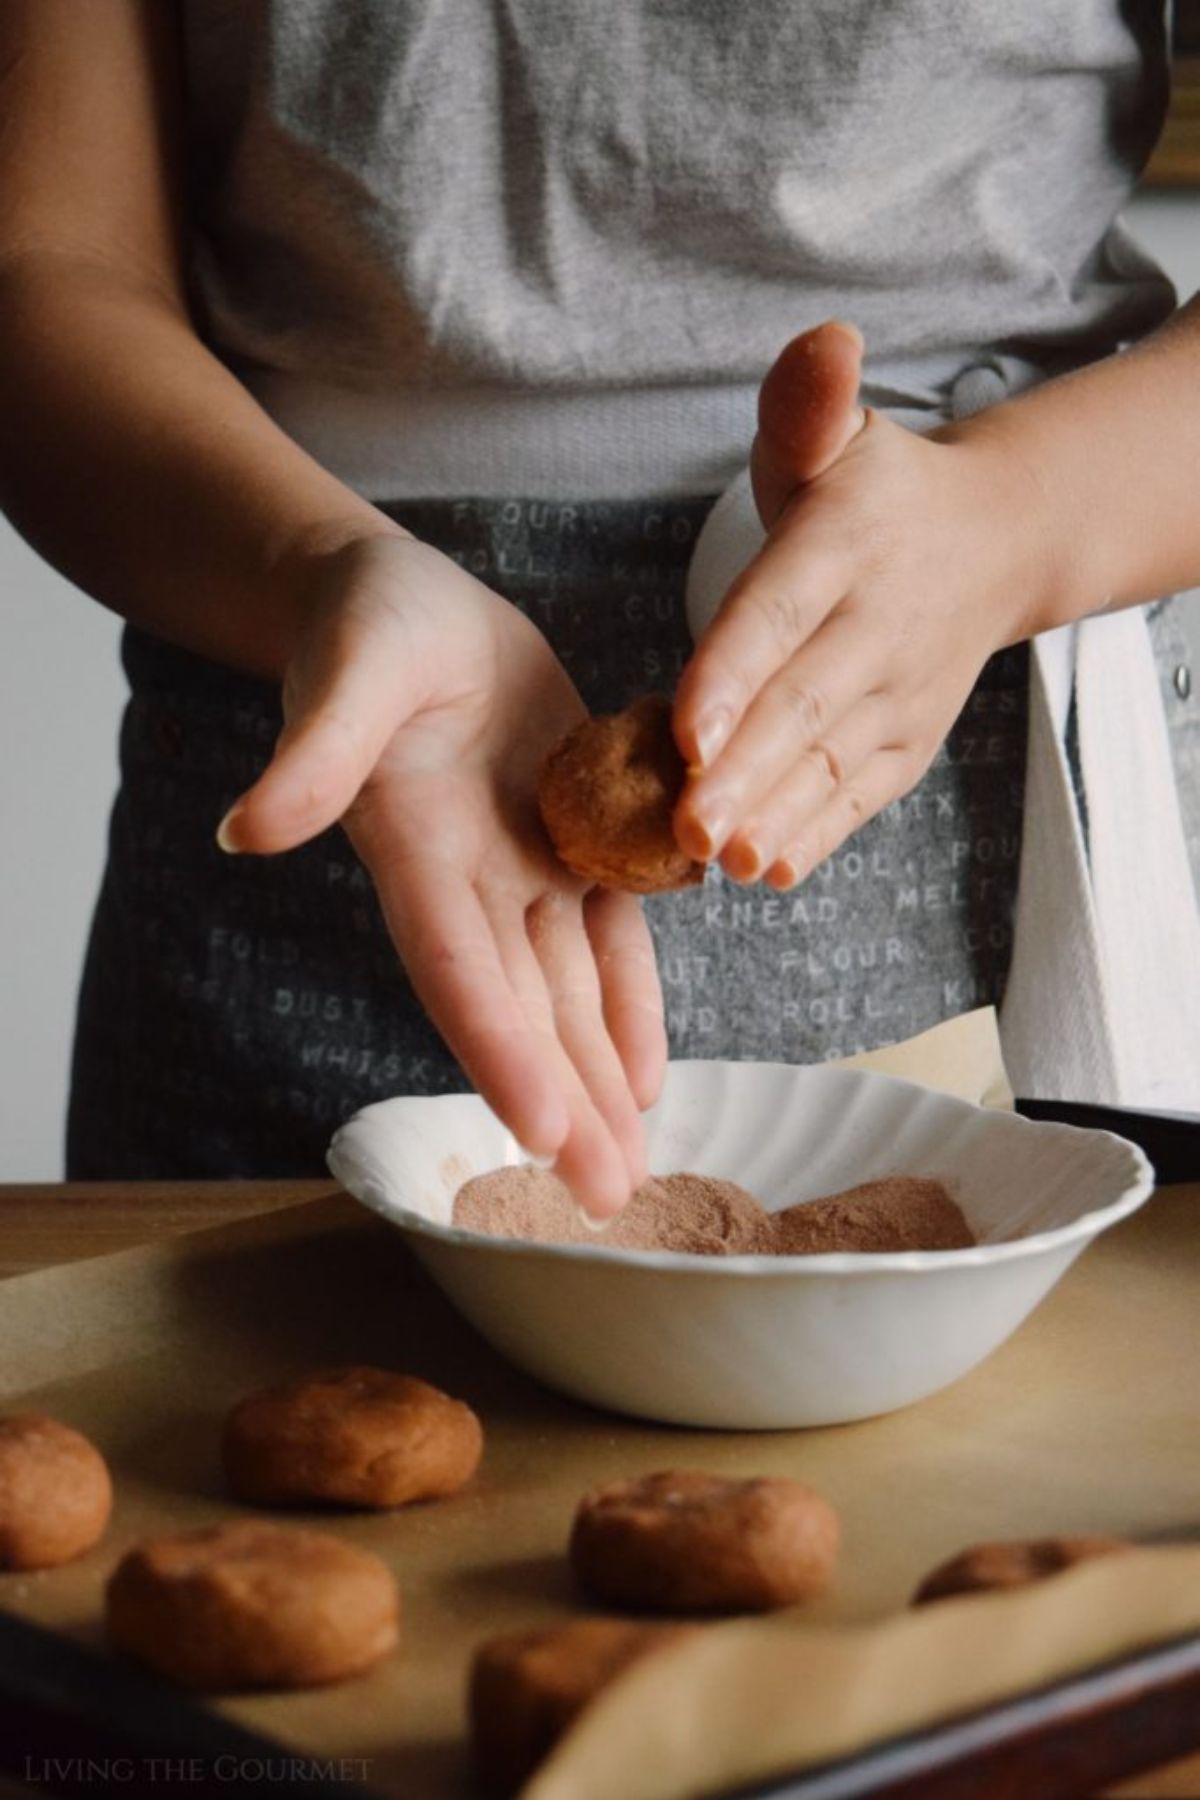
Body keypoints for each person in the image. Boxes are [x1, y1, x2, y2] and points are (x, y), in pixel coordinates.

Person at [1, 2, 1197, 1220]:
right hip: (305, 723)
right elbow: (49, 263)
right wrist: (316, 565)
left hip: (972, 779)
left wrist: (1016, 520)